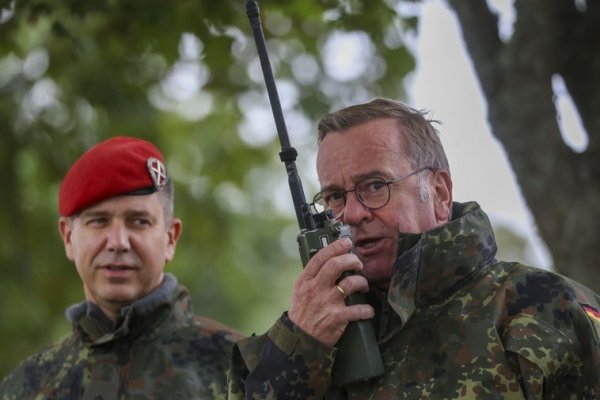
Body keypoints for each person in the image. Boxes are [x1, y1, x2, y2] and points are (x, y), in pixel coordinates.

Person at [228, 98, 600, 399]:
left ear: (439, 193)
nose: (352, 213)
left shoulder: (547, 309)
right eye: (335, 196)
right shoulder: (308, 338)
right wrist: (299, 347)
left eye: (375, 185)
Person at [0, 136, 243, 399]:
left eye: (139, 221)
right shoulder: (25, 386)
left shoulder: (243, 370)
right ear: (68, 238)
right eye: (99, 221)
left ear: (170, 239)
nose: (118, 242)